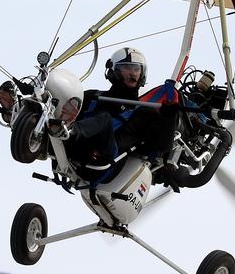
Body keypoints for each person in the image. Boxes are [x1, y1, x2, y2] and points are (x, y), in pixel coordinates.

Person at [65, 47, 172, 178]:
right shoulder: (92, 97)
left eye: (136, 69)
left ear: (142, 74)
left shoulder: (144, 112)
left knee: (104, 119)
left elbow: (161, 147)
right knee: (69, 98)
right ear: (114, 70)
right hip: (73, 150)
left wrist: (168, 119)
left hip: (102, 160)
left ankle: (70, 131)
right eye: (127, 67)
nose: (132, 73)